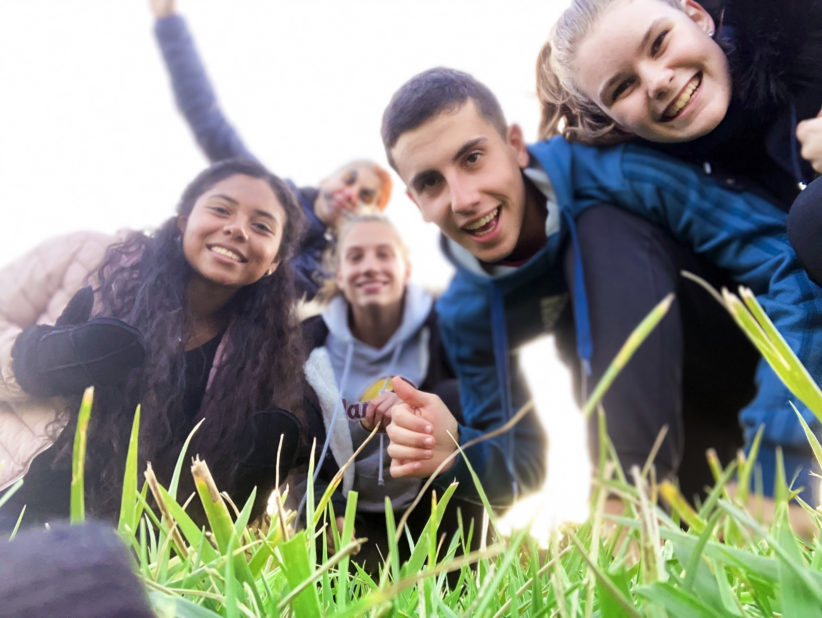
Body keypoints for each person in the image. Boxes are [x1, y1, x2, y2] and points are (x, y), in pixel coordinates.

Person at [379, 67, 822, 513]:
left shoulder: (613, 171)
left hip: (773, 380)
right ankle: (651, 514)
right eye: (431, 182)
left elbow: (790, 266)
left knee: (603, 225)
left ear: (515, 146)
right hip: (684, 444)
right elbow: (523, 461)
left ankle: (625, 497)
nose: (463, 198)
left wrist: (777, 467)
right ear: (416, 203)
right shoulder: (466, 310)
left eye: (472, 158)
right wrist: (457, 452)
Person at [0, 158, 310, 527]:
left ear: (274, 260)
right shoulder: (84, 257)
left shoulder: (266, 358)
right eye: (221, 209)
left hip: (120, 552)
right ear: (183, 221)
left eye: (261, 226)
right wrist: (34, 360)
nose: (237, 229)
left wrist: (228, 504)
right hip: (15, 504)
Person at [536, 0, 822, 284]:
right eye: (622, 87)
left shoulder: (809, 25)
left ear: (697, 18)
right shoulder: (667, 188)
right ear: (615, 123)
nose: (657, 82)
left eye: (659, 43)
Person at [148, 0, 393, 299]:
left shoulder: (342, 273)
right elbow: (207, 118)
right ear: (327, 179)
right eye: (349, 178)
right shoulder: (265, 192)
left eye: (367, 197)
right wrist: (169, 23)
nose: (350, 194)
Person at [297, 213, 482, 568]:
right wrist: (322, 504)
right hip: (346, 528)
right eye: (355, 257)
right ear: (339, 273)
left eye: (384, 254)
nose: (370, 267)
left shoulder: (453, 328)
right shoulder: (304, 341)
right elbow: (293, 440)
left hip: (441, 525)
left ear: (406, 268)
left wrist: (428, 407)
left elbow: (490, 410)